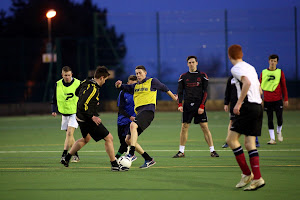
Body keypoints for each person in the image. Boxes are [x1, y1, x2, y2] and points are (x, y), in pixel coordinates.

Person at [61, 66, 125, 171]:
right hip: (87, 118)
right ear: (101, 78)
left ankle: (67, 158)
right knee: (109, 138)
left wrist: (93, 101)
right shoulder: (93, 89)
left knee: (86, 139)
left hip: (79, 117)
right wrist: (92, 116)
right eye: (105, 79)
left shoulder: (85, 82)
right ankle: (114, 164)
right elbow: (82, 104)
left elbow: (77, 93)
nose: (104, 82)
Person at [115, 65, 178, 169]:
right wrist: (118, 85)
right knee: (128, 140)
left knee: (133, 125)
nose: (138, 75)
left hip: (148, 111)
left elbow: (164, 88)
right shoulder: (135, 86)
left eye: (140, 73)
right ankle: (148, 159)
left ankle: (131, 153)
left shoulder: (152, 81)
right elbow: (123, 87)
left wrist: (174, 97)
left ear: (145, 73)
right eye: (136, 73)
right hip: (140, 113)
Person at [226, 44, 265, 191]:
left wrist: (238, 104)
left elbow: (247, 83)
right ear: (241, 55)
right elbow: (259, 88)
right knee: (250, 144)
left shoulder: (235, 69)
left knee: (231, 140)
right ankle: (257, 178)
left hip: (247, 107)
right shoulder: (251, 67)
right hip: (257, 106)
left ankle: (247, 173)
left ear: (229, 56)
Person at [173, 56, 219, 158]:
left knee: (204, 127)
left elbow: (205, 92)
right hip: (187, 106)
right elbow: (180, 92)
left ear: (197, 63)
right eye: (189, 62)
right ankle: (181, 151)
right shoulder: (183, 76)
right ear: (187, 64)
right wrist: (180, 104)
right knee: (184, 127)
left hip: (199, 105)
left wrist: (202, 105)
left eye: (193, 62)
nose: (191, 64)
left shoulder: (202, 75)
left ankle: (212, 150)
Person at [51, 66, 81, 163]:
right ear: (62, 75)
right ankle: (75, 155)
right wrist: (53, 110)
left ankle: (64, 155)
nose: (67, 77)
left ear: (71, 74)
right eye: (65, 75)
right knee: (70, 136)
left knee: (69, 133)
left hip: (75, 113)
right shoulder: (58, 84)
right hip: (64, 113)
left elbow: (85, 95)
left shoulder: (77, 83)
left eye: (68, 75)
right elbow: (54, 98)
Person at [222, 76, 260, 148]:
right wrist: (226, 103)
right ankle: (228, 141)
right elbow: (228, 91)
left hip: (246, 103)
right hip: (234, 104)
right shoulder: (231, 79)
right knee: (232, 121)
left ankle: (255, 140)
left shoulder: (247, 78)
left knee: (249, 121)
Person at [259, 54, 288, 145]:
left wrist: (286, 99)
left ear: (277, 62)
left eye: (274, 61)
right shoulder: (264, 72)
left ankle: (279, 131)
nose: (273, 63)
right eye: (271, 61)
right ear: (269, 61)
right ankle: (272, 139)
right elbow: (259, 86)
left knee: (279, 119)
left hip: (278, 100)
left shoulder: (280, 72)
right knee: (269, 119)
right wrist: (260, 98)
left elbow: (284, 86)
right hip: (267, 100)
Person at [115, 75, 138, 160]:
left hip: (132, 122)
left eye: (134, 85)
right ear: (127, 84)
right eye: (130, 85)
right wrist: (129, 116)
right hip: (122, 120)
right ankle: (127, 155)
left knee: (126, 141)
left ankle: (116, 158)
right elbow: (120, 109)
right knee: (122, 142)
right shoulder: (123, 93)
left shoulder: (139, 94)